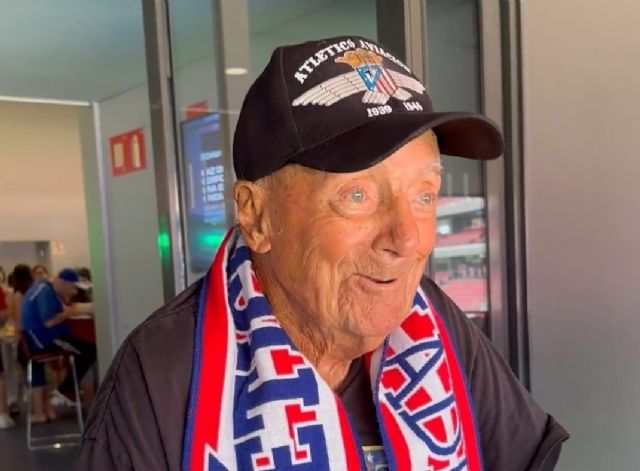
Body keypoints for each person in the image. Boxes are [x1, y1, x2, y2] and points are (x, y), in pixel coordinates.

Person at [76, 36, 568, 470]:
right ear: (256, 216)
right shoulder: (163, 374)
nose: (407, 239)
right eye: (357, 196)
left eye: (423, 196)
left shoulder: (433, 320)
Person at [21, 268, 96, 423]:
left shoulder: (46, 289)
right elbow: (49, 321)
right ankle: (65, 390)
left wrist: (70, 311)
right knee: (89, 351)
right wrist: (71, 312)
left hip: (41, 337)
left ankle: (64, 392)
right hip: (44, 339)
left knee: (86, 350)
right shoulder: (45, 292)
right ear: (62, 283)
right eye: (72, 287)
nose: (74, 292)